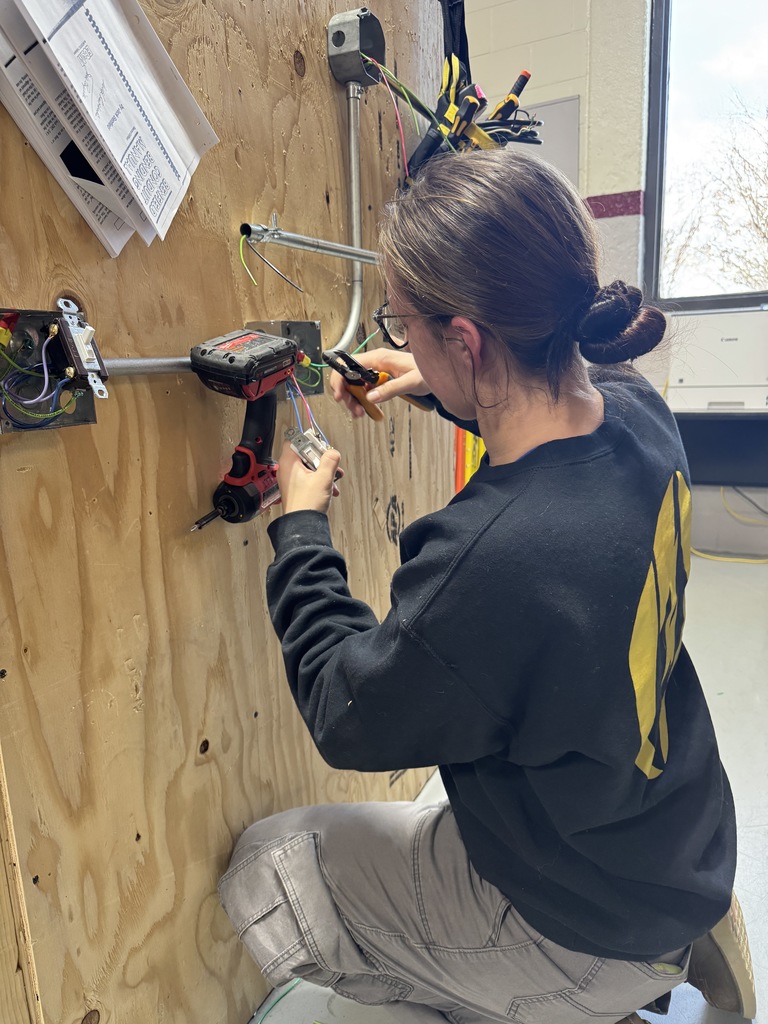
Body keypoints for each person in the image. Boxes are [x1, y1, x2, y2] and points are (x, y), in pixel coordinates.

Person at [218, 149, 755, 1024]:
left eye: (404, 325)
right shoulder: (639, 414)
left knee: (265, 869)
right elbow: (544, 403)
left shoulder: (495, 558)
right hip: (667, 842)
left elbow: (343, 707)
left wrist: (301, 526)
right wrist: (437, 383)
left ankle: (531, 999)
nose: (396, 340)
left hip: (582, 919)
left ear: (469, 338)